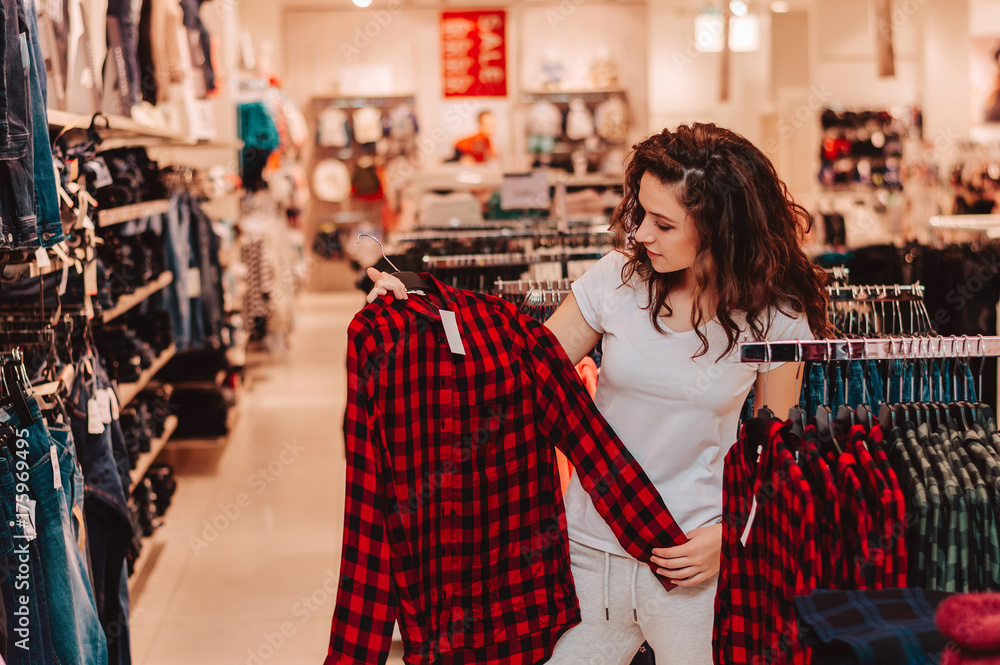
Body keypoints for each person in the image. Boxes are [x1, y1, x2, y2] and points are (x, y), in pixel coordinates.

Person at [364, 123, 833, 664]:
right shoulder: (618, 279)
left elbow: (772, 455)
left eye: (663, 223)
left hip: (691, 560)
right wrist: (422, 308)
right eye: (640, 215)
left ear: (720, 227)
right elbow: (518, 363)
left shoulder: (777, 316)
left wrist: (729, 535)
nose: (641, 235)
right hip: (588, 548)